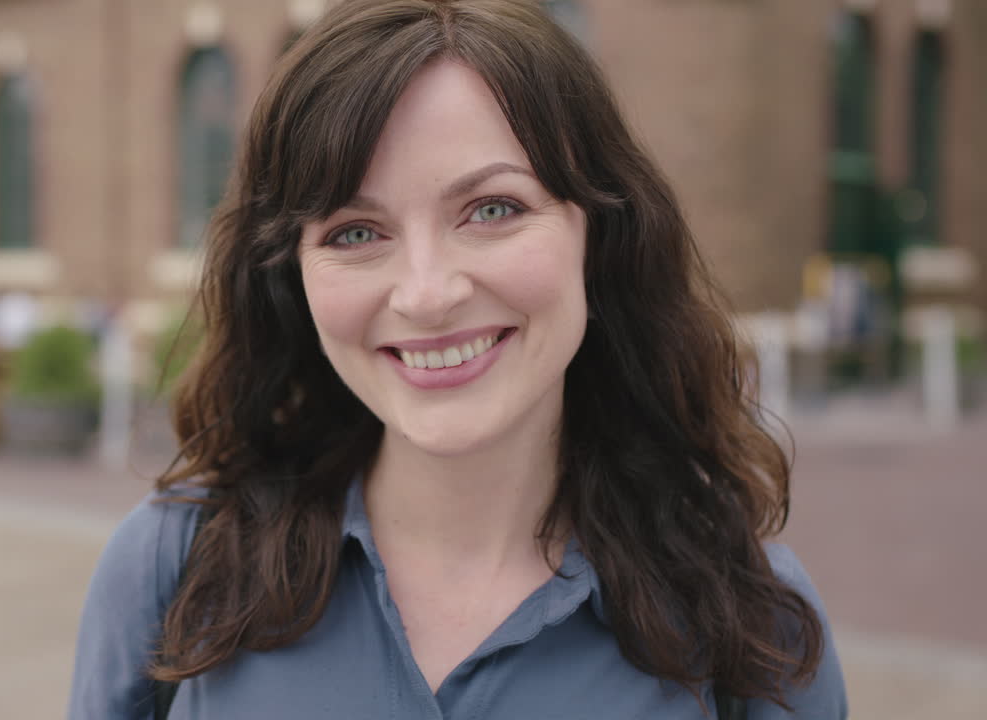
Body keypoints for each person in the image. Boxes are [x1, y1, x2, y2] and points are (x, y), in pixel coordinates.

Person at [68, 2, 847, 718]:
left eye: (493, 209)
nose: (428, 294)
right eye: (354, 231)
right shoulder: (172, 566)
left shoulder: (753, 620)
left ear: (599, 236)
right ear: (289, 275)